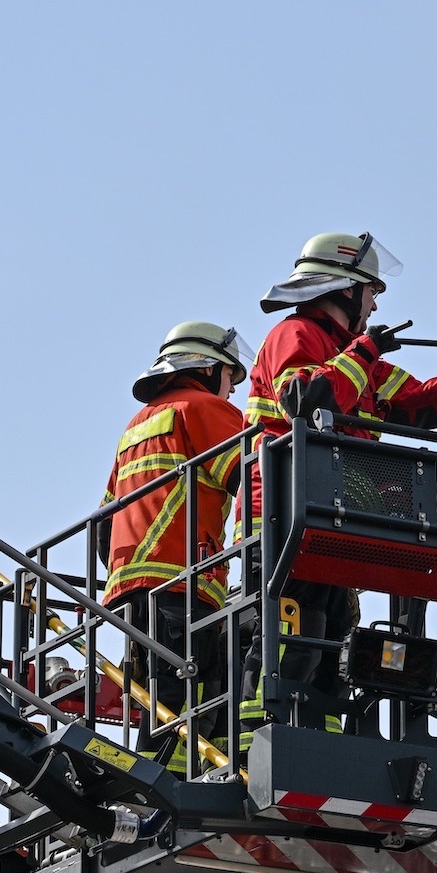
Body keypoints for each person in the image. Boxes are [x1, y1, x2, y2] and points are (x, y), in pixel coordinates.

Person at [238, 232, 437, 747]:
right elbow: (305, 398)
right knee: (293, 641)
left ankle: (322, 748)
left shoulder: (354, 355)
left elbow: (419, 403)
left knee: (331, 654)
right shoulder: (296, 333)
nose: (376, 303)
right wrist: (366, 351)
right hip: (285, 512)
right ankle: (258, 748)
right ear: (343, 288)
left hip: (334, 512)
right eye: (371, 290)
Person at [101, 320, 253, 771]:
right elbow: (253, 478)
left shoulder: (135, 427)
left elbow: (104, 518)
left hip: (129, 585)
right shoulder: (205, 409)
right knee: (189, 689)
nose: (231, 390)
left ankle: (200, 769)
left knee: (163, 687)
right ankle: (159, 783)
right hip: (181, 577)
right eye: (230, 376)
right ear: (207, 369)